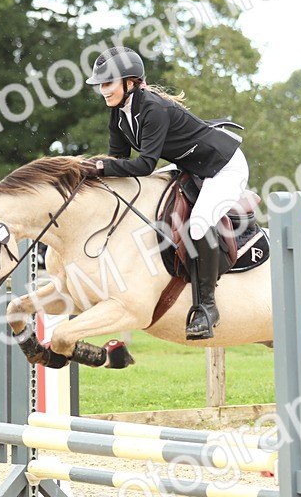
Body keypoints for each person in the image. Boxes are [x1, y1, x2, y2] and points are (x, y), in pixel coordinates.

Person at [83, 46, 248, 340]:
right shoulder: (119, 116)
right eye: (101, 85)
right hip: (191, 166)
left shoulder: (153, 108)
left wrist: (100, 168)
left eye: (107, 83)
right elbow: (118, 163)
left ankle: (206, 307)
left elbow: (145, 164)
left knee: (197, 225)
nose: (103, 91)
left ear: (130, 82)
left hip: (222, 166)